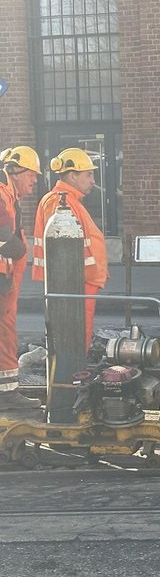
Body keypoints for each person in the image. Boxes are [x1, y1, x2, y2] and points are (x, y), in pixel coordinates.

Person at [32, 148, 108, 352]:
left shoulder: (69, 200)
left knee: (79, 332)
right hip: (73, 283)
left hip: (80, 281)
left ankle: (74, 373)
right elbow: (60, 249)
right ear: (73, 175)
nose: (93, 180)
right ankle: (71, 376)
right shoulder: (59, 201)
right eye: (88, 174)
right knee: (74, 333)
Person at [0, 147, 43, 414]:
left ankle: (7, 393)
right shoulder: (2, 196)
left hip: (5, 278)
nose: (35, 179)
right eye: (31, 173)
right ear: (15, 171)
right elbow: (3, 238)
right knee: (4, 334)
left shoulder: (9, 197)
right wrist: (18, 249)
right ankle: (6, 395)